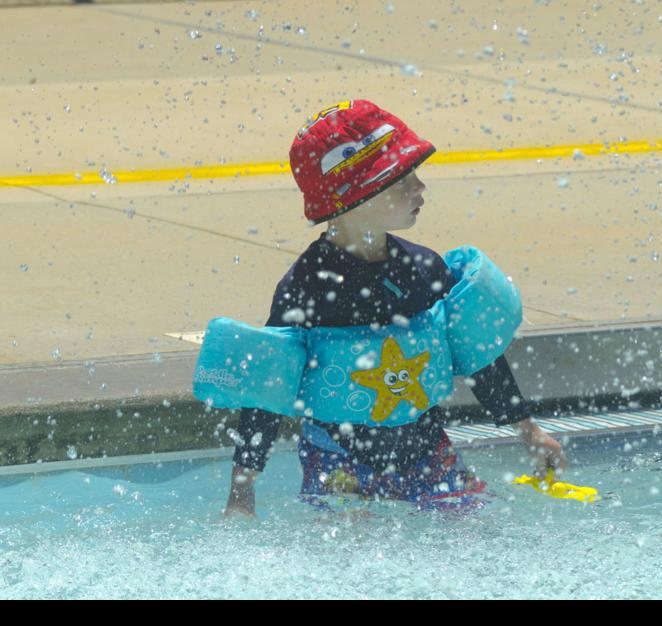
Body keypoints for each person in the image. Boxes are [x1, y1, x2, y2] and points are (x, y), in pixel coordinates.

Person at [194, 99, 565, 517]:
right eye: (401, 180)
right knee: (352, 553)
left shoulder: (424, 269)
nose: (419, 188)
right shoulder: (307, 288)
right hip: (338, 457)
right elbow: (267, 389)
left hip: (425, 447)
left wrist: (527, 429)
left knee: (475, 529)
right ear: (354, 197)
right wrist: (242, 490)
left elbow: (475, 354)